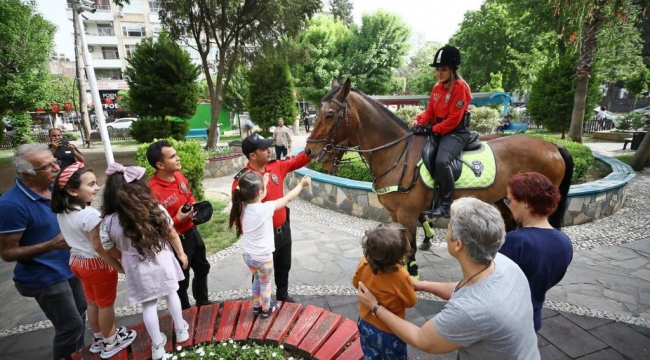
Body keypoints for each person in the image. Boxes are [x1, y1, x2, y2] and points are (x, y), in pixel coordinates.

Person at [357, 197, 540, 360]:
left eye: (449, 226)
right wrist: (422, 285)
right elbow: (466, 289)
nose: (446, 231)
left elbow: (421, 339)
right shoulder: (502, 263)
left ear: (458, 244)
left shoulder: (469, 311)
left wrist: (375, 306)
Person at [0, 144, 86, 360]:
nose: (56, 168)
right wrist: (50, 245)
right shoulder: (11, 205)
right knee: (70, 326)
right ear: (27, 174)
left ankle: (80, 355)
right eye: (48, 166)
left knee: (81, 312)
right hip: (45, 276)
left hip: (71, 266)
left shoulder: (55, 189)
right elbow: (7, 253)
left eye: (54, 162)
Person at [99, 163, 190, 360]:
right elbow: (171, 233)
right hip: (162, 259)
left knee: (148, 306)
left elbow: (108, 247)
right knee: (171, 293)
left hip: (135, 265)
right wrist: (181, 254)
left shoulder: (107, 221)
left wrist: (123, 258)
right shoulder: (155, 209)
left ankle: (157, 345)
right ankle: (181, 329)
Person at [51, 162, 137, 358]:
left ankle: (99, 338)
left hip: (76, 262)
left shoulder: (63, 211)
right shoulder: (90, 215)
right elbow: (100, 246)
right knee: (105, 304)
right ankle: (110, 341)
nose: (97, 187)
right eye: (90, 185)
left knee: (92, 302)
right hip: (96, 264)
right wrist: (117, 263)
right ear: (72, 190)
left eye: (96, 183)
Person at [232, 134, 312, 303]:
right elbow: (239, 212)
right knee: (262, 274)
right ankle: (261, 305)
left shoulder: (275, 167)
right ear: (253, 155)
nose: (270, 151)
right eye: (264, 149)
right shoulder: (244, 180)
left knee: (284, 265)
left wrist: (315, 148)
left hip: (283, 228)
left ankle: (283, 295)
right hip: (263, 239)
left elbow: (298, 161)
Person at [229, 171, 311, 317]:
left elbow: (255, 195)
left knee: (257, 280)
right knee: (266, 283)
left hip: (248, 256)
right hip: (263, 257)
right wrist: (301, 184)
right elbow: (287, 199)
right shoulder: (265, 208)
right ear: (260, 192)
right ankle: (266, 309)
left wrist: (263, 184)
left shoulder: (242, 206)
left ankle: (256, 305)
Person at [499, 172, 573, 332]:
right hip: (532, 319)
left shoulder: (516, 241)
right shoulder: (565, 242)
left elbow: (488, 283)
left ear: (525, 202)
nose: (508, 205)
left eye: (510, 200)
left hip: (503, 322)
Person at [146, 140, 212, 310]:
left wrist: (195, 206)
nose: (178, 158)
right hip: (175, 241)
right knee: (181, 280)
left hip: (193, 232)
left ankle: (203, 303)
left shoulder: (179, 176)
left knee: (202, 267)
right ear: (160, 164)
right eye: (173, 156)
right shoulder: (152, 191)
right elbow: (155, 226)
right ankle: (185, 312)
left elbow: (188, 196)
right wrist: (177, 220)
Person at [409, 45, 471, 218]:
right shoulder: (437, 88)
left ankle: (445, 205)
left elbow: (453, 120)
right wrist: (419, 122)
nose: (439, 73)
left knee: (442, 161)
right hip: (439, 130)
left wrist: (432, 129)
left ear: (453, 69)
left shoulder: (460, 87)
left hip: (456, 133)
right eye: (437, 69)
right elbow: (430, 111)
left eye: (443, 69)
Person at [352, 222, 417, 359]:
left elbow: (355, 283)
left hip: (365, 323)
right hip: (390, 331)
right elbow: (411, 302)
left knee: (370, 353)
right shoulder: (401, 276)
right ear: (400, 255)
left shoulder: (364, 263)